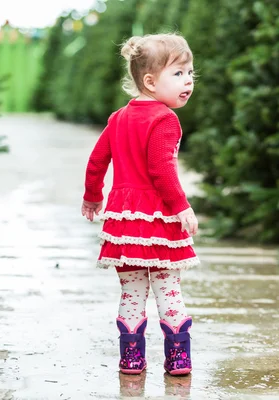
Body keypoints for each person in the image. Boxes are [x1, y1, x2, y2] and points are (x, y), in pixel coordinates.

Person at [81, 33, 199, 376]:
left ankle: (131, 358)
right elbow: (161, 170)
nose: (188, 80)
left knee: (132, 291)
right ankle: (178, 358)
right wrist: (181, 206)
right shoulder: (165, 120)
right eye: (178, 73)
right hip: (158, 220)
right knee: (168, 288)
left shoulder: (118, 118)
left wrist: (93, 196)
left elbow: (97, 160)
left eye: (190, 72)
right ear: (150, 81)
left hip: (124, 220)